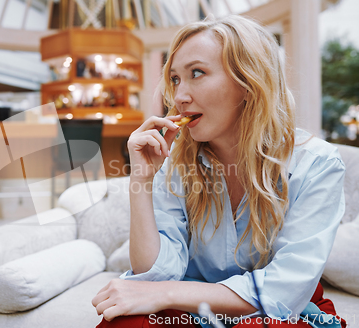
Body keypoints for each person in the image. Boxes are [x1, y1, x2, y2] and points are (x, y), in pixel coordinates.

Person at [91, 15, 347, 328]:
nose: (179, 96)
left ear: (248, 81)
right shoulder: (175, 163)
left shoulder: (317, 164)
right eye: (174, 79)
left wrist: (169, 293)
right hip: (193, 307)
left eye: (196, 73)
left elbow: (284, 291)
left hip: (278, 312)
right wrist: (142, 181)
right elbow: (154, 276)